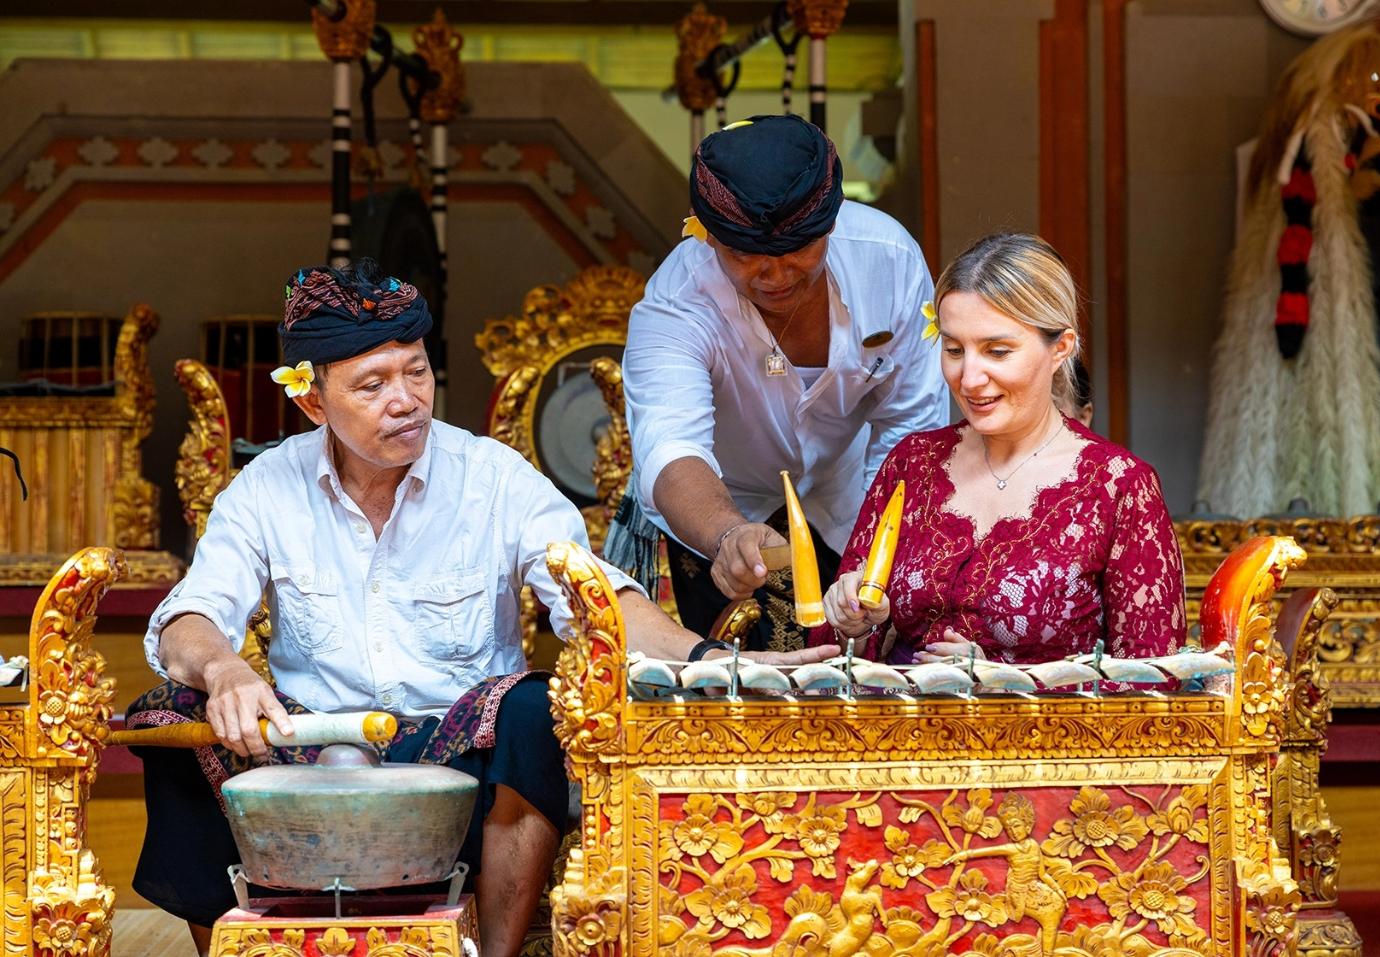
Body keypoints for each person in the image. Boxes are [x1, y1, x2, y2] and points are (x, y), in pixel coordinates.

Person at [127, 260, 836, 957]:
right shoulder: (265, 489)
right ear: (313, 401)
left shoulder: (493, 477)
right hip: (310, 760)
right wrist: (223, 669)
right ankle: (237, 949)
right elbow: (190, 616)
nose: (404, 399)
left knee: (531, 707)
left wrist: (721, 665)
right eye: (372, 385)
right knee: (173, 708)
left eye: (415, 371)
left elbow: (599, 603)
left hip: (461, 773)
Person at [617, 114, 946, 651]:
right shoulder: (675, 303)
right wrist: (727, 534)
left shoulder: (889, 262)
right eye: (744, 257)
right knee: (726, 693)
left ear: (831, 225)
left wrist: (873, 557)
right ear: (709, 238)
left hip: (857, 498)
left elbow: (910, 428)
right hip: (720, 513)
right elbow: (672, 447)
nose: (774, 276)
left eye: (798, 251)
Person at [817, 233, 1184, 664]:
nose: (969, 378)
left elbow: (1154, 684)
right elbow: (834, 658)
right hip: (901, 730)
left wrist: (1005, 685)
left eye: (997, 351)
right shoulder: (912, 464)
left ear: (1060, 348)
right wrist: (855, 627)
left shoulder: (1119, 487)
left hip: (1044, 733)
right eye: (954, 349)